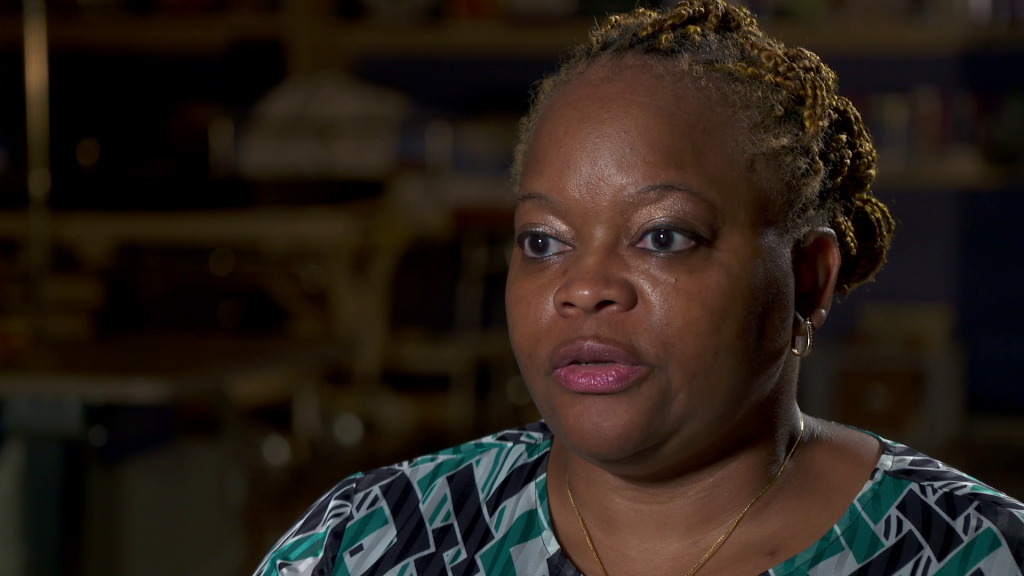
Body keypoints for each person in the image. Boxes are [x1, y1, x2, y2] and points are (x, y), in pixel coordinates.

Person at [252, 1, 1024, 575]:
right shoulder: (369, 543)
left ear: (807, 279)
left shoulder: (974, 555)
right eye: (543, 241)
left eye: (663, 236)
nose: (583, 289)